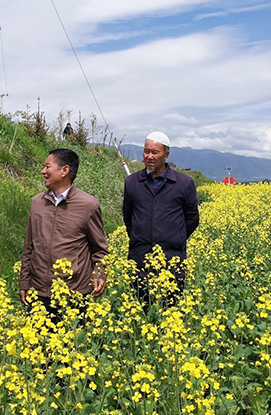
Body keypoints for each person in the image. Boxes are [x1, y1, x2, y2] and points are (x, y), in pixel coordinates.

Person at [19, 148, 108, 318]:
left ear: (64, 170)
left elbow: (99, 249)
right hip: (38, 292)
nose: (43, 171)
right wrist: (24, 281)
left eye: (47, 166)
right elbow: (28, 246)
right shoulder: (37, 202)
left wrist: (100, 274)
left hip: (73, 294)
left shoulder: (88, 205)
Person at [123, 131, 199, 312]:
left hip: (172, 260)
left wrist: (174, 238)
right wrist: (140, 237)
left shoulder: (184, 183)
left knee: (171, 312)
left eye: (154, 152)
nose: (149, 156)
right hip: (139, 260)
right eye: (146, 151)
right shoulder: (132, 182)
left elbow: (192, 219)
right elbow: (128, 217)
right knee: (141, 312)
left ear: (166, 154)